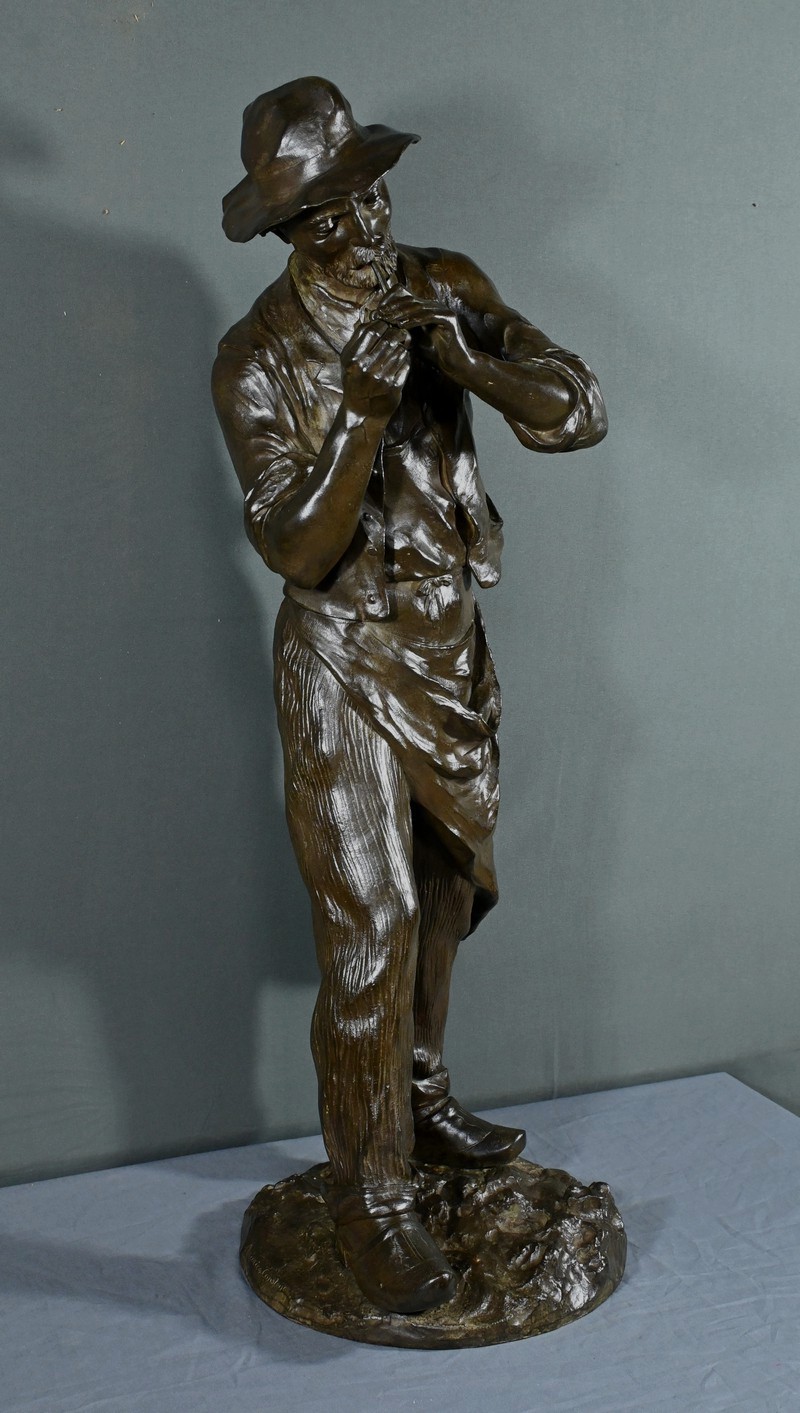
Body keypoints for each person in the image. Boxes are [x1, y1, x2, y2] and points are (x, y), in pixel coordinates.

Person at [213, 76, 607, 1316]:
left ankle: (420, 1096)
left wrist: (467, 362)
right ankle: (368, 1196)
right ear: (288, 230)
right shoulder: (255, 360)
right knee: (370, 922)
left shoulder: (443, 282)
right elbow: (294, 548)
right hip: (338, 656)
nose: (363, 222)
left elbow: (576, 412)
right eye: (329, 211)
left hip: (444, 644)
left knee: (444, 890)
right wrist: (362, 415)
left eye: (370, 191)